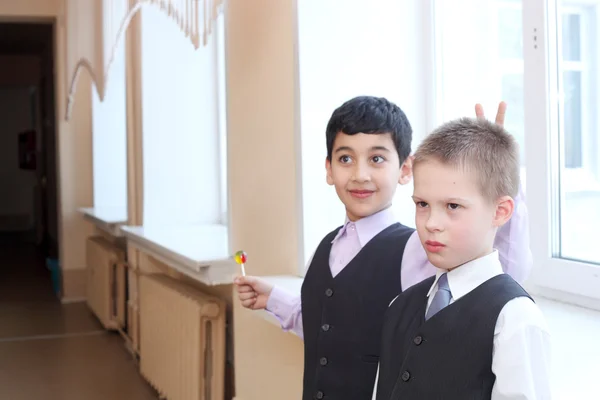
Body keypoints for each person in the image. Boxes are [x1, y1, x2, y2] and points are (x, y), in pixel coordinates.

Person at [235, 96, 532, 400]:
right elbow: (327, 328)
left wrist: (498, 180)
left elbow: (500, 276)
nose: (360, 175)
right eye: (345, 159)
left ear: (406, 169)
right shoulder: (325, 246)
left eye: (376, 159)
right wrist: (272, 299)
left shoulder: (419, 247)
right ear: (328, 169)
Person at [374, 117, 551, 400]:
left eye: (453, 206)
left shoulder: (513, 319)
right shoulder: (400, 306)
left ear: (501, 212)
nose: (431, 222)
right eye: (422, 204)